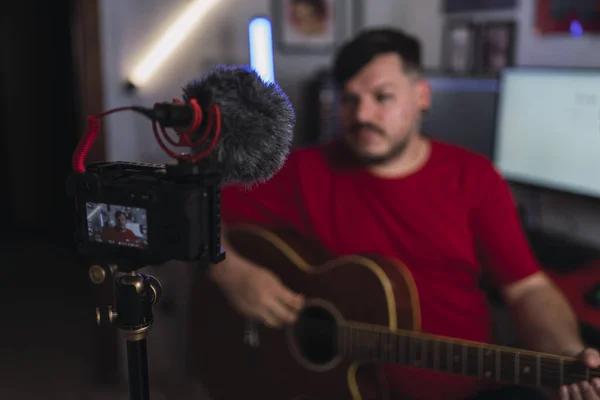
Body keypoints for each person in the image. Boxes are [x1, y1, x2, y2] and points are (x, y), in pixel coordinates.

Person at [207, 28, 600, 399]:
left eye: (382, 97)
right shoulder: (303, 172)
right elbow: (204, 208)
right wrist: (230, 270)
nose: (362, 115)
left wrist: (568, 352)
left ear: (421, 96)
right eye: (349, 99)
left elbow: (528, 288)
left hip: (471, 389)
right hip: (340, 388)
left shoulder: (473, 177)